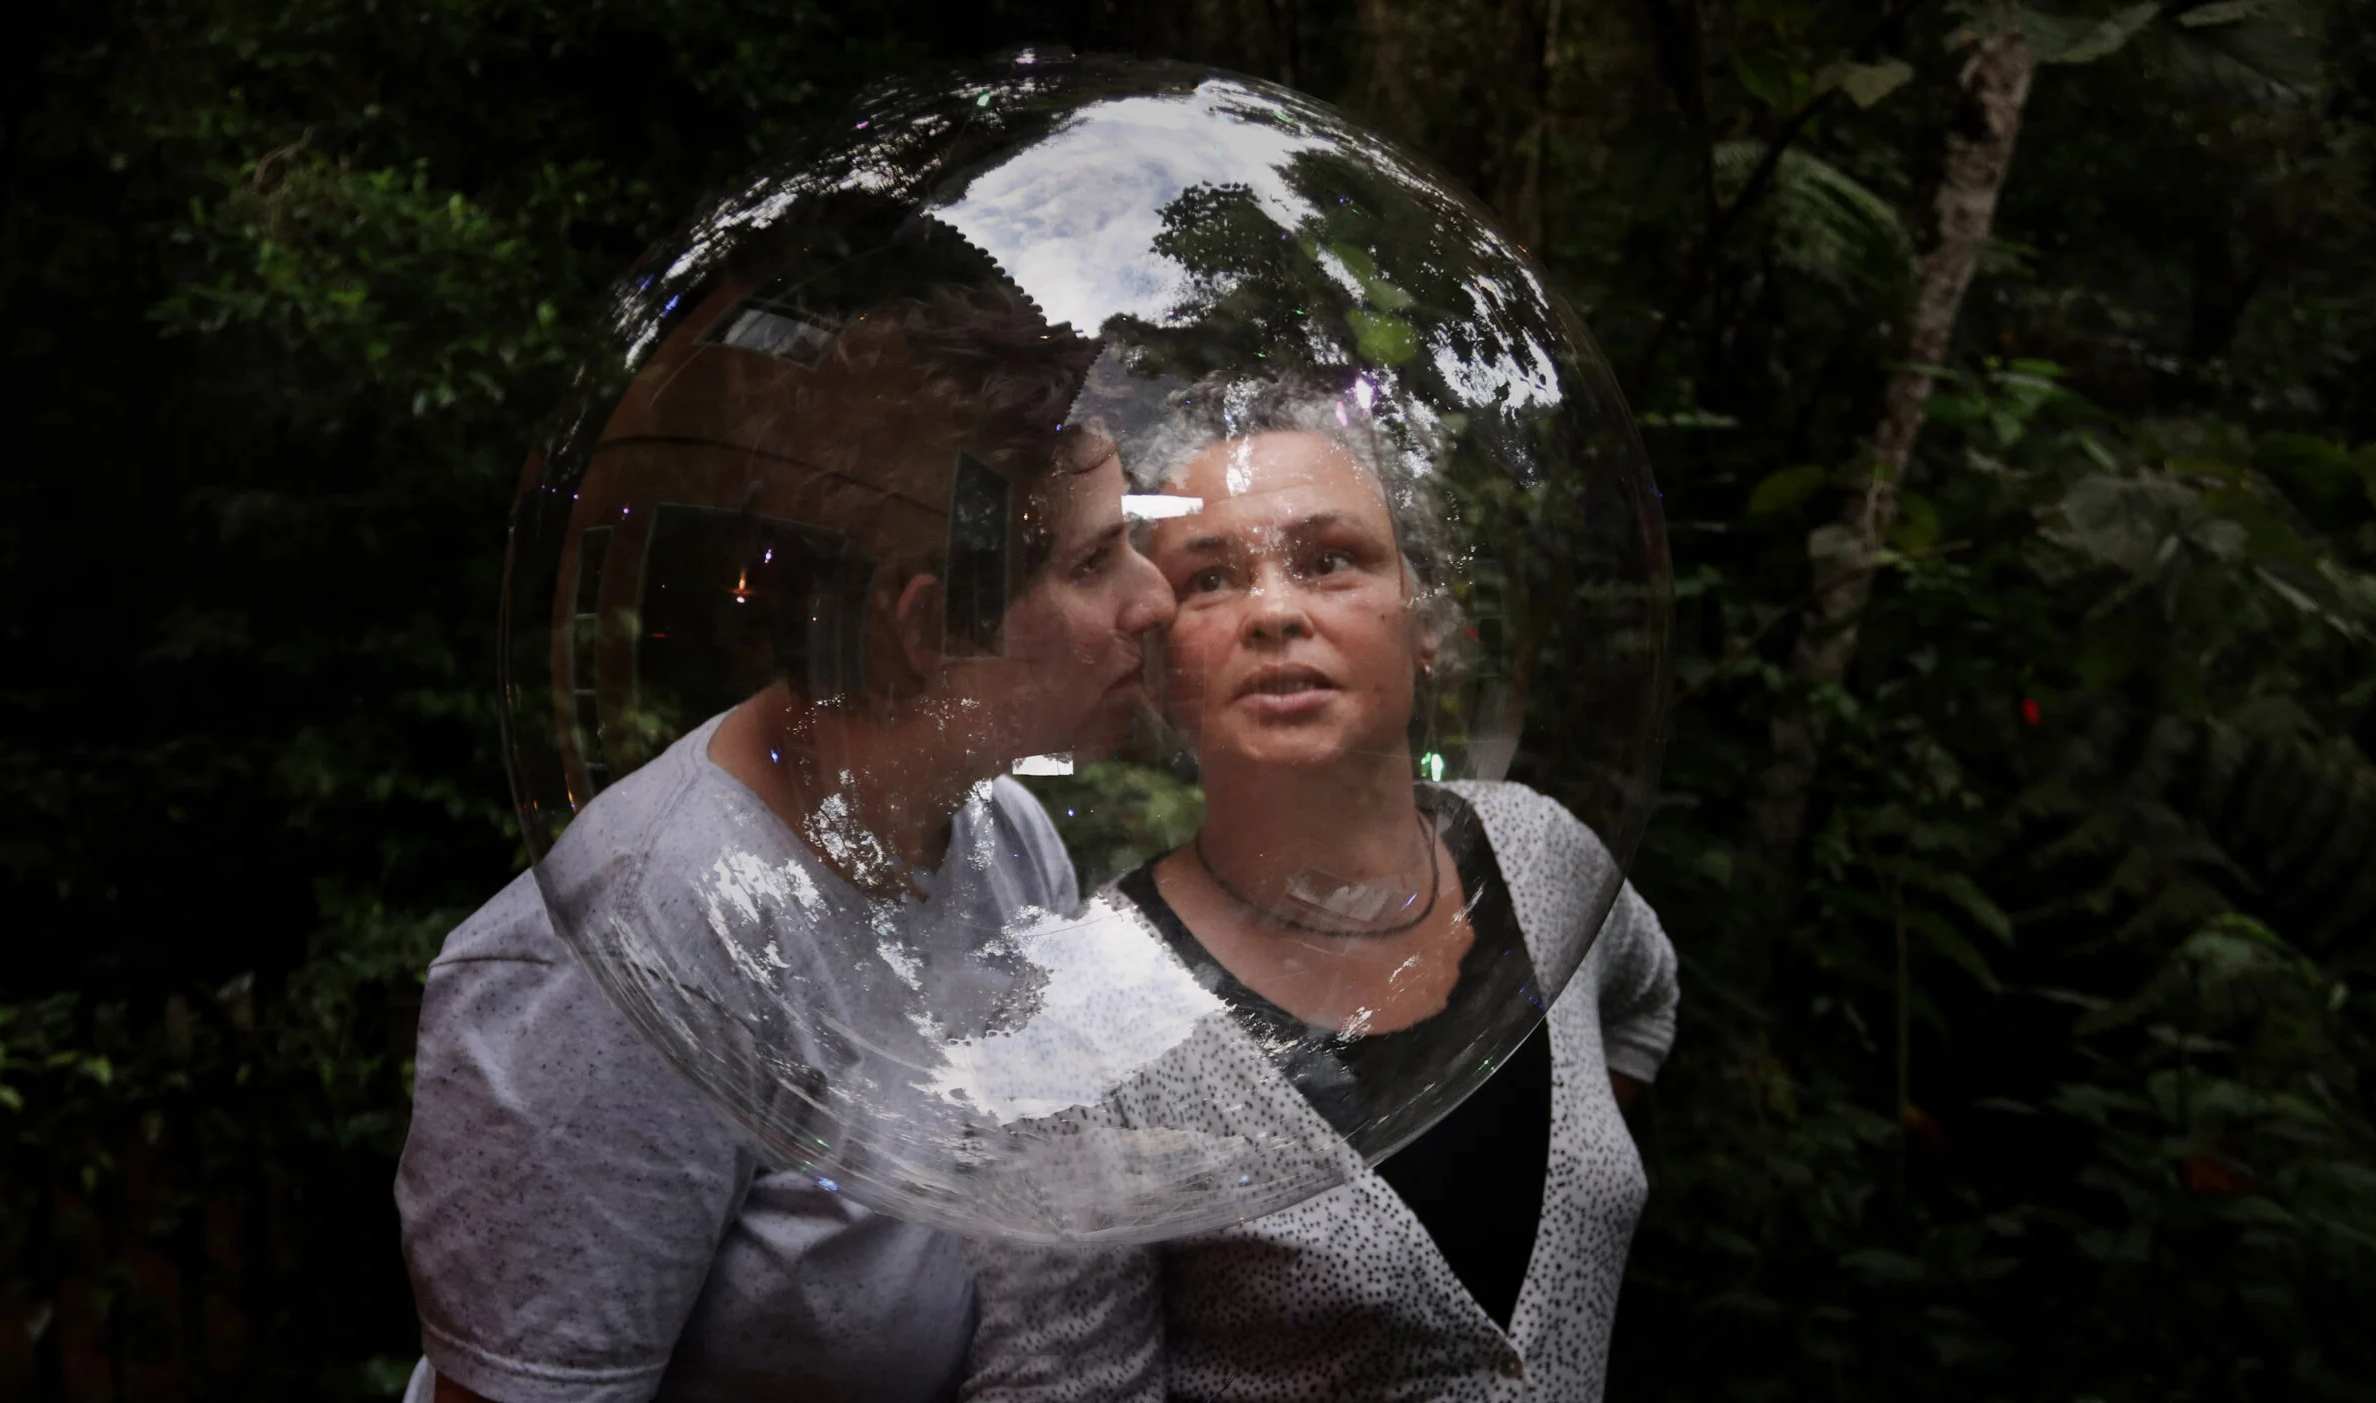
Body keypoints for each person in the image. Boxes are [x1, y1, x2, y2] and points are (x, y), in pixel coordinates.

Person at [396, 261, 1175, 1403]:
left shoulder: (1007, 843)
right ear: (927, 628)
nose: (1155, 599)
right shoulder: (629, 956)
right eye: (1094, 561)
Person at [961, 376, 1678, 1401]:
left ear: (1426, 622)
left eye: (1330, 559)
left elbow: (1646, 999)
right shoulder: (1074, 1021)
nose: (1274, 612)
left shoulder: (1542, 849)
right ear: (1158, 666)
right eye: (1210, 579)